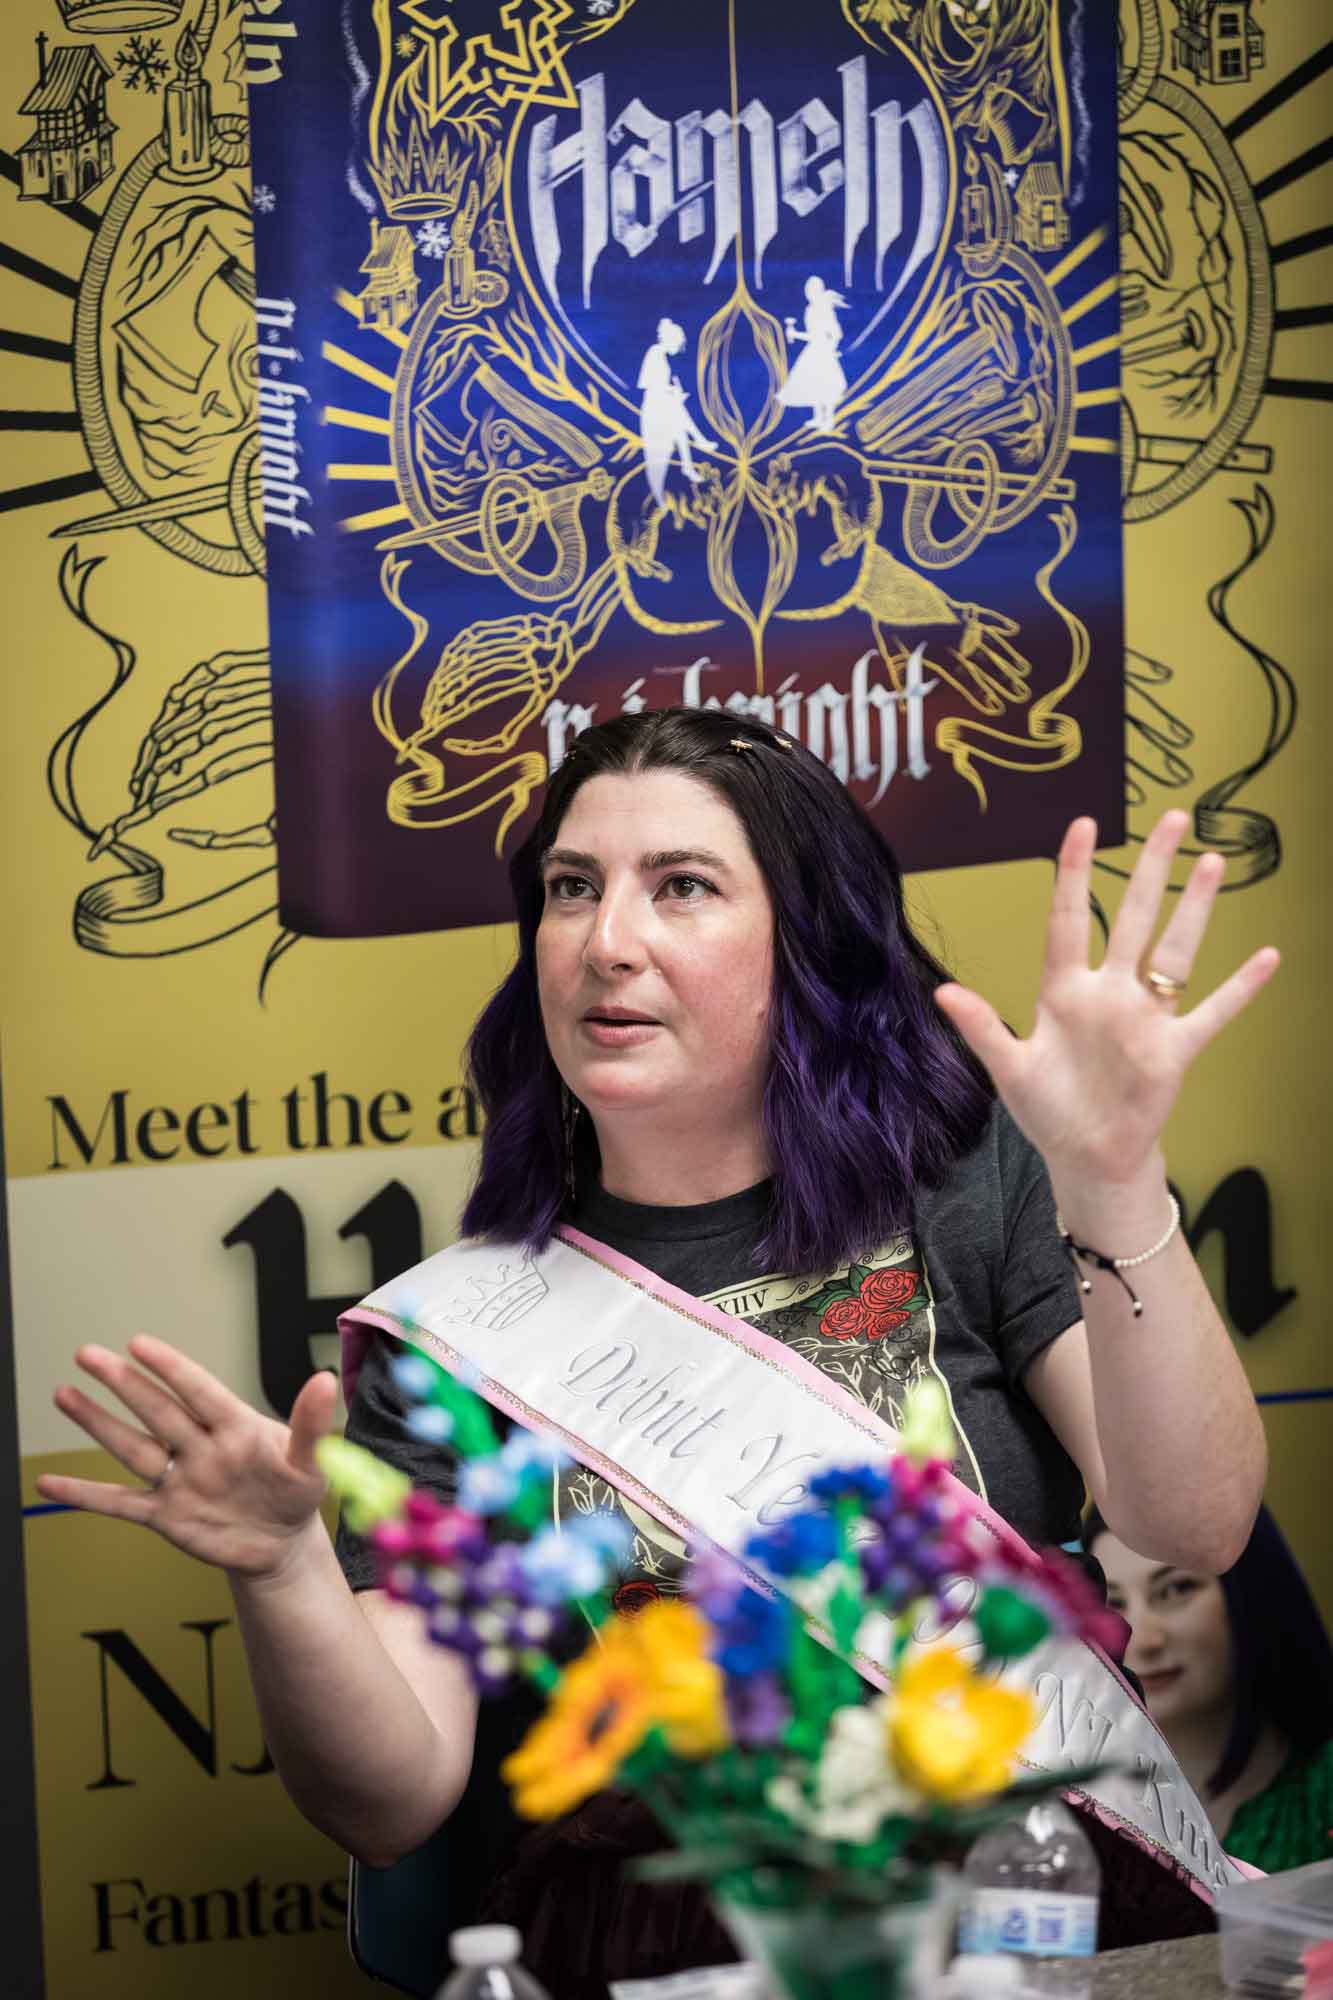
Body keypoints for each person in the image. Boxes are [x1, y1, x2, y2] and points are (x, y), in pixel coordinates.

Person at [38, 708, 1276, 1994]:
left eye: (680, 887)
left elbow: (1194, 1522)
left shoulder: (965, 1188)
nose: (603, 942)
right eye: (571, 890)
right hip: (671, 1935)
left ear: (809, 946)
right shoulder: (456, 1338)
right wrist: (286, 1567)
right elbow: (393, 1800)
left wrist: (1117, 1183)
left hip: (1018, 1902)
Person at [1087, 1504, 1333, 1874]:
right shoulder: (1074, 1810)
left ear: (1250, 1594)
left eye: (1175, 1589)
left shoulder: (1322, 1790)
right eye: (1114, 1603)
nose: (1144, 1639)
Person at [638, 317, 715, 505]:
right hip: (654, 407)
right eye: (678, 344)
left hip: (662, 405)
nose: (678, 349)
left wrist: (673, 391)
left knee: (679, 429)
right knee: (676, 413)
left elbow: (660, 385)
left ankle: (689, 465)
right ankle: (698, 441)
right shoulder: (655, 353)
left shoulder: (661, 356)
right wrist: (671, 391)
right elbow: (648, 384)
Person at [779, 276, 847, 431]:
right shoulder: (809, 309)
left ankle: (828, 420)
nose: (809, 293)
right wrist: (795, 334)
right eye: (807, 290)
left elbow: (837, 333)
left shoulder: (824, 309)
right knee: (813, 383)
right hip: (813, 349)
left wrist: (832, 348)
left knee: (826, 385)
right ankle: (818, 417)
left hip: (823, 351)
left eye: (812, 290)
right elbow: (813, 335)